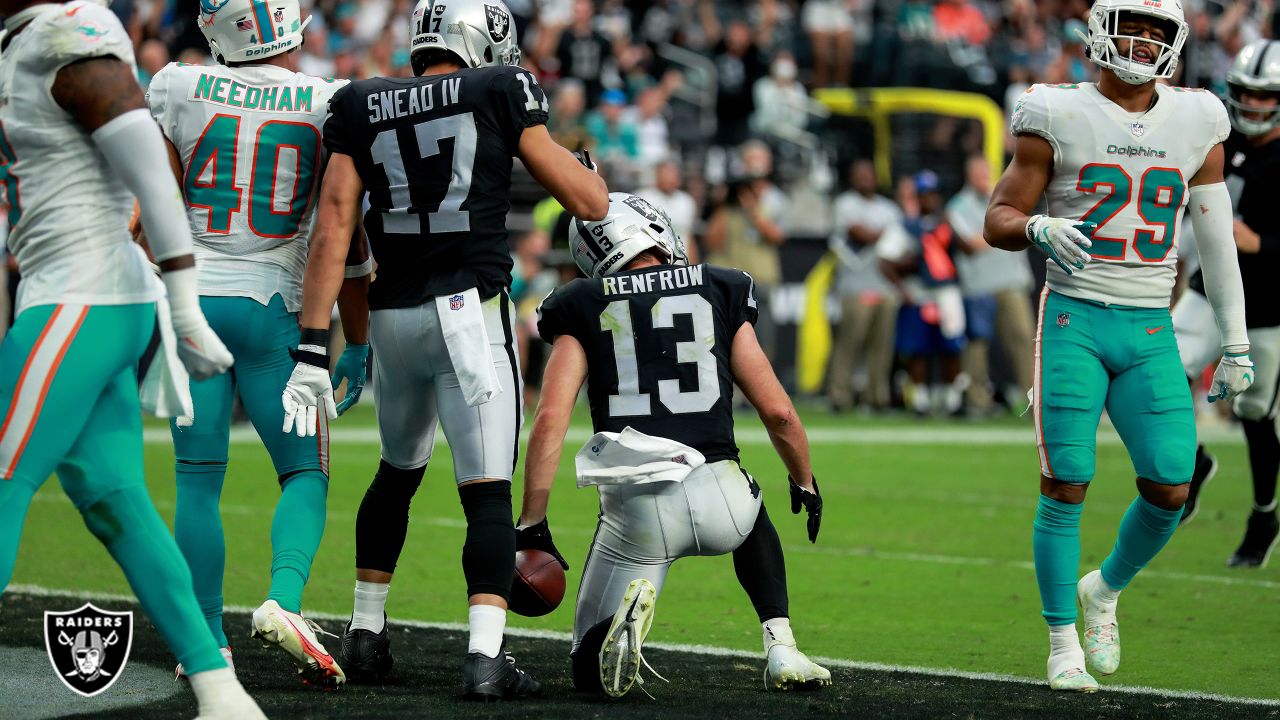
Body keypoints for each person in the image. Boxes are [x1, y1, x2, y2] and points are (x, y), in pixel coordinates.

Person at [282, 0, 608, 700]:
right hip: (467, 311)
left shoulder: (359, 100)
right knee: (488, 492)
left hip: (393, 314)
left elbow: (335, 222)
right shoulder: (497, 87)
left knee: (396, 473)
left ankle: (365, 635)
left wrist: (317, 342)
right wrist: (589, 171)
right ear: (481, 39)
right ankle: (485, 657)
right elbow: (590, 203)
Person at [0, 1, 261, 717]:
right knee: (117, 503)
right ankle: (222, 693)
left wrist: (184, 307)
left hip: (81, 298)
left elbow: (151, 169)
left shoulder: (63, 36)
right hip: (73, 296)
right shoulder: (20, 43)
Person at [984, 0, 1253, 692]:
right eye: (1131, 25)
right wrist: (1038, 229)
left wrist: (1236, 340)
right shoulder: (1054, 111)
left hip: (1149, 324)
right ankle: (1060, 642)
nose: (1141, 40)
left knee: (1171, 483)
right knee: (1065, 480)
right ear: (1102, 30)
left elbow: (1217, 241)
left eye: (1156, 30)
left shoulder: (1197, 119)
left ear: (1176, 42)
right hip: (1075, 317)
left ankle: (1103, 589)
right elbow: (999, 216)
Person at [144, 0, 373, 686]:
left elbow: (154, 203)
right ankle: (286, 601)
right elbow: (347, 234)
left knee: (196, 481)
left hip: (192, 300)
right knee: (305, 472)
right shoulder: (328, 100)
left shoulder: (177, 85)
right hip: (274, 305)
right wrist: (354, 340)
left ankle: (206, 645)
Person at [520, 193, 830, 698]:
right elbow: (779, 411)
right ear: (654, 230)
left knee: (587, 672)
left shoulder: (579, 301)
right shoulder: (722, 285)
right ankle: (782, 645)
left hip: (639, 508)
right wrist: (804, 479)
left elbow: (550, 417)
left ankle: (630, 611)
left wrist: (532, 522)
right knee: (751, 503)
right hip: (722, 498)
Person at [1172, 39, 1280, 567]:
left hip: (1267, 304)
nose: (1253, 106)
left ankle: (1264, 513)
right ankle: (1192, 464)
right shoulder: (1223, 139)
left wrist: (1262, 243)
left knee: (1256, 410)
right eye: (1245, 94)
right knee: (1156, 370)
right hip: (1208, 288)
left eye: (1265, 97)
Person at [948, 155, 1035, 413]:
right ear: (969, 176)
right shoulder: (958, 206)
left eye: (986, 174)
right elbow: (970, 244)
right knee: (976, 346)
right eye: (978, 174)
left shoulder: (1007, 199)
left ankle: (1033, 401)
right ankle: (977, 401)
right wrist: (1003, 231)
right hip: (978, 286)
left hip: (1011, 282)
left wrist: (1000, 232)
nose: (983, 179)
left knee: (1023, 339)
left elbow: (1022, 229)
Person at [879, 170, 966, 416]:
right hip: (919, 292)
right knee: (917, 348)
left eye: (933, 194)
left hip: (947, 291)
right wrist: (903, 279)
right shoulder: (906, 226)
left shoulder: (948, 221)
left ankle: (953, 400)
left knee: (952, 346)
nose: (930, 199)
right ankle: (920, 401)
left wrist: (948, 230)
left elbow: (967, 248)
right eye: (924, 195)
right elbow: (885, 261)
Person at [827, 159, 902, 412]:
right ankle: (840, 395)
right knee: (850, 342)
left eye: (869, 174)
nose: (865, 179)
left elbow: (899, 245)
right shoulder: (844, 203)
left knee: (882, 346)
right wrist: (884, 233)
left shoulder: (889, 208)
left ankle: (876, 396)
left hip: (884, 286)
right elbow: (859, 233)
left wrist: (884, 234)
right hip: (854, 286)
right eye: (860, 175)